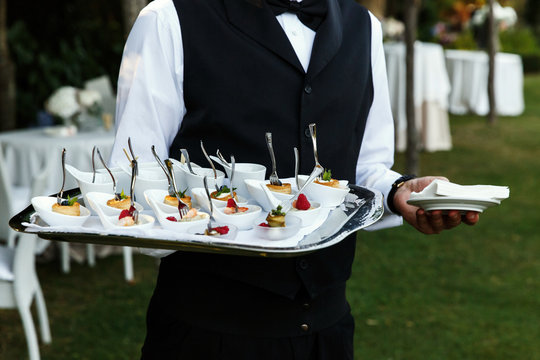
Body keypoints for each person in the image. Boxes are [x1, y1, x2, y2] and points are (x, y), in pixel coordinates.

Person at [109, 0, 479, 358]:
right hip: (208, 332)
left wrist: (399, 191)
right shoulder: (168, 19)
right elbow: (136, 180)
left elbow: (365, 169)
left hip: (327, 331)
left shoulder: (364, 28)